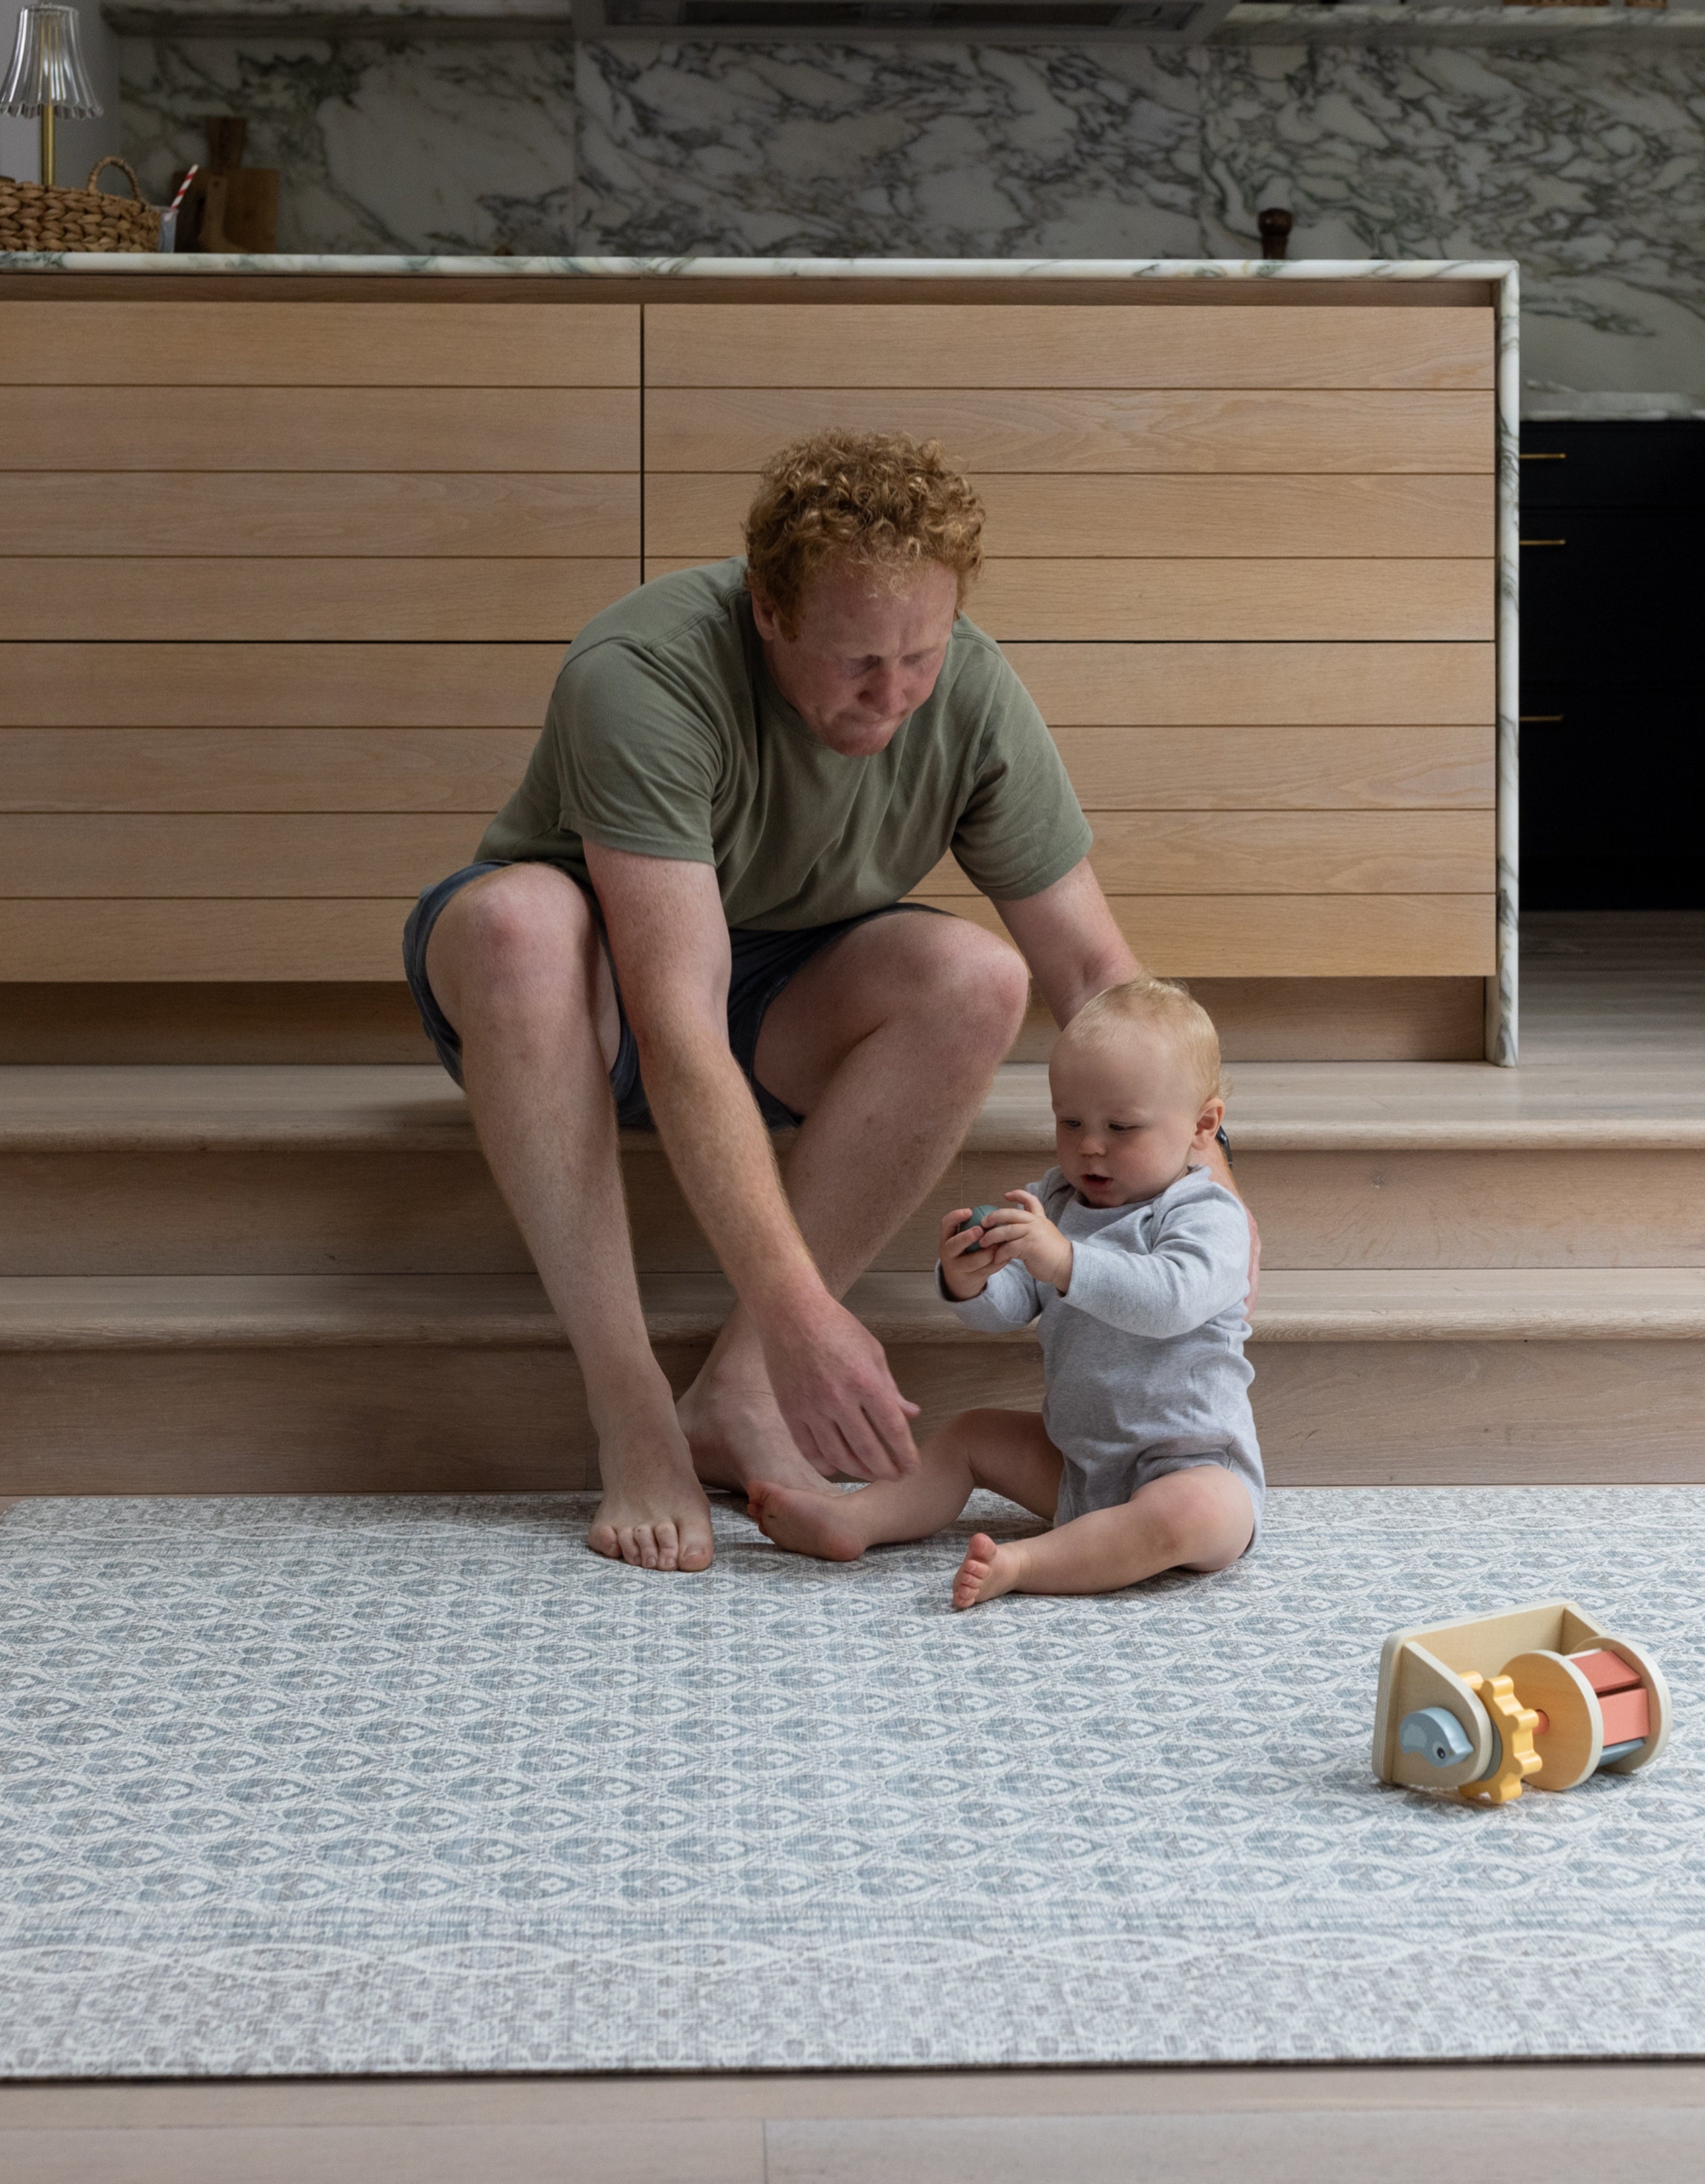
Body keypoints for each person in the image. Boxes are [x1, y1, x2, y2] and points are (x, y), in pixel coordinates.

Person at [404, 430, 1237, 1574]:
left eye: (921, 653)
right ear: (769, 609)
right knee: (522, 924)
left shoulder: (971, 691)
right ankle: (632, 1405)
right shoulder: (642, 673)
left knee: (979, 975)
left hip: (783, 994)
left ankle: (735, 1393)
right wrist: (803, 1309)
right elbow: (677, 1017)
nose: (893, 694)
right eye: (857, 661)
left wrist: (1211, 1187)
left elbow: (1098, 979)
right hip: (578, 994)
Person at [746, 977, 1261, 1606]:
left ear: (1203, 1126)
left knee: (1194, 1512)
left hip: (1191, 1465)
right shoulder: (1057, 1200)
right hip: (1079, 1464)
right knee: (971, 1434)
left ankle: (1025, 1562)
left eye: (1122, 1126)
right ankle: (857, 1519)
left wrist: (1065, 1260)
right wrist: (972, 1280)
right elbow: (1014, 1302)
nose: (1091, 1145)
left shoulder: (1207, 1212)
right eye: (1070, 1121)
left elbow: (1171, 1300)